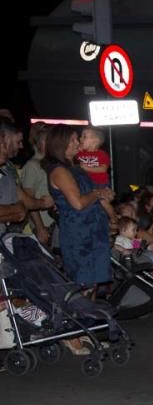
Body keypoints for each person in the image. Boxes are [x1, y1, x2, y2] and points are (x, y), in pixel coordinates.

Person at [42, 125, 114, 288]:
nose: (78, 143)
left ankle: (90, 312)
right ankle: (83, 313)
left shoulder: (74, 167)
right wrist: (98, 193)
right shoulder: (60, 171)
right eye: (73, 139)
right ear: (62, 144)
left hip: (91, 231)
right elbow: (78, 203)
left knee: (93, 283)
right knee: (84, 284)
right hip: (80, 235)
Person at [22, 123, 56, 247]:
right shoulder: (32, 166)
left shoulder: (51, 165)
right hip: (45, 226)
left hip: (55, 224)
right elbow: (28, 199)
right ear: (42, 143)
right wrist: (40, 227)